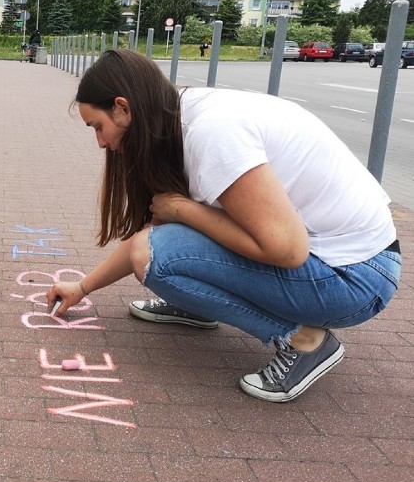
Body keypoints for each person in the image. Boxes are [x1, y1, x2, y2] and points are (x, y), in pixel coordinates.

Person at [46, 49, 401, 403]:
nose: (101, 143)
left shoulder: (211, 132)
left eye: (98, 127)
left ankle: (304, 340)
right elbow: (154, 233)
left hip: (355, 277)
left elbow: (287, 249)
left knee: (158, 256)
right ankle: (198, 304)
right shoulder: (176, 114)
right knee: (160, 247)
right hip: (341, 263)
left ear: (123, 108)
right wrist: (83, 287)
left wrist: (184, 210)